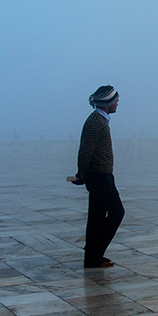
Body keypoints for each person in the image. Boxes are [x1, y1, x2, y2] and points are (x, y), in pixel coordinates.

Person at [66, 85, 125, 268]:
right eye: (115, 100)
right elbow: (85, 151)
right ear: (107, 103)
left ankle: (95, 253)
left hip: (105, 175)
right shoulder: (95, 122)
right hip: (98, 176)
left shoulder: (101, 120)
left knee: (115, 213)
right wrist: (82, 174)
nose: (117, 103)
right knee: (99, 218)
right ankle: (93, 257)